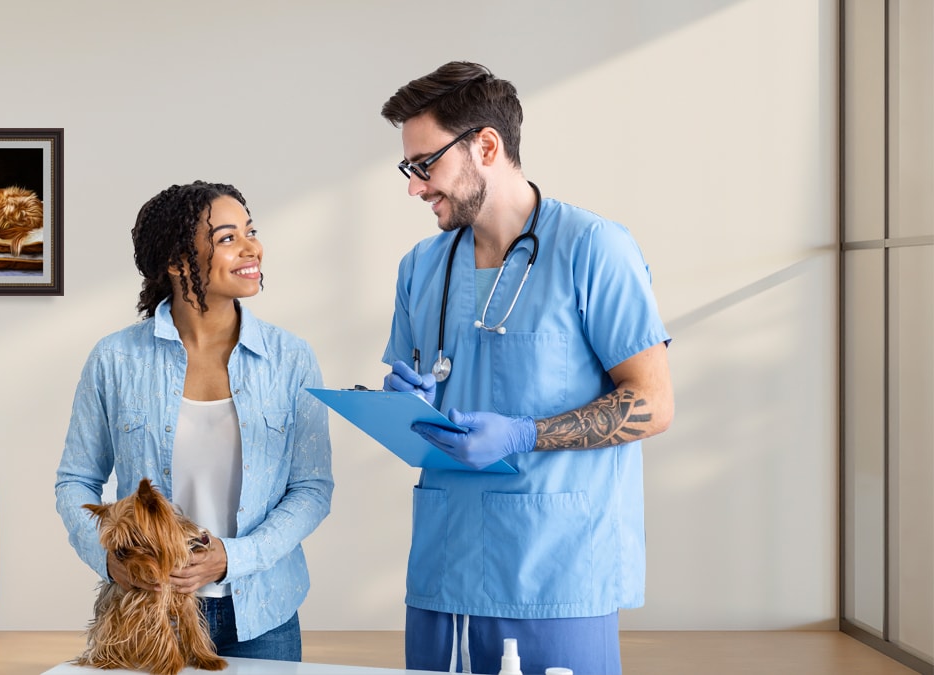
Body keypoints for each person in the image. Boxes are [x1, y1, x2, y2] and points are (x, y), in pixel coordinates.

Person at [378, 62, 674, 675]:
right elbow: (418, 393)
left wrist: (523, 434)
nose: (414, 187)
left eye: (423, 165)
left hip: (556, 568)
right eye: (409, 169)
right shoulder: (420, 266)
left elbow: (652, 402)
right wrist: (406, 400)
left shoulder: (594, 249)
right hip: (444, 562)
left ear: (485, 146)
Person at [55, 180, 334, 661]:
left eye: (251, 231)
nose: (252, 248)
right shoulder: (116, 359)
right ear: (177, 260)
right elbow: (76, 481)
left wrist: (233, 557)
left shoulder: (290, 359)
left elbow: (311, 488)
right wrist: (109, 560)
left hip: (263, 613)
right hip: (148, 612)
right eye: (228, 238)